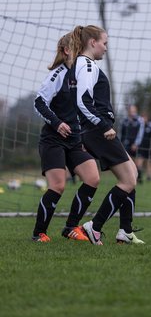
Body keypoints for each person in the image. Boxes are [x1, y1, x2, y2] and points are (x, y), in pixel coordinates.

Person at [68, 25, 145, 245]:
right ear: (92, 42)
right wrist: (103, 125)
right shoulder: (87, 65)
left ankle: (125, 231)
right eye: (105, 43)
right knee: (128, 179)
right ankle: (95, 227)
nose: (106, 48)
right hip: (97, 131)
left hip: (95, 130)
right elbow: (82, 101)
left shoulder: (83, 64)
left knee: (131, 174)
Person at [32, 33, 100, 242]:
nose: (80, 51)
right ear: (66, 51)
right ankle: (38, 233)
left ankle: (71, 227)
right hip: (53, 140)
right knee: (58, 186)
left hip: (75, 140)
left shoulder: (82, 74)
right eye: (76, 47)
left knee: (92, 179)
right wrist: (57, 123)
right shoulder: (58, 74)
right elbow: (39, 102)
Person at [135, 112, 151, 182]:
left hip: (150, 148)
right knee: (139, 162)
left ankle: (149, 177)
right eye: (142, 117)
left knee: (149, 162)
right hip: (141, 147)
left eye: (145, 117)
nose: (143, 119)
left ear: (147, 118)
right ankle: (139, 176)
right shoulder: (139, 126)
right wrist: (136, 144)